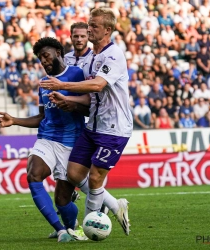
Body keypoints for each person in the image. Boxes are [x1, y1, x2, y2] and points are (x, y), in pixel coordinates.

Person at [41, 8, 131, 236]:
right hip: (93, 125)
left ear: (107, 30)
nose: (89, 29)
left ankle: (89, 227)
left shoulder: (114, 55)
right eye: (89, 24)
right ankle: (114, 205)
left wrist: (62, 86)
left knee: (95, 178)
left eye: (94, 26)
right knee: (73, 173)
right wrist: (66, 98)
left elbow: (97, 85)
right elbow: (90, 96)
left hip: (114, 128)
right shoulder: (91, 58)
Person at [0, 37, 89, 243]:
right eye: (40, 59)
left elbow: (90, 107)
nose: (44, 62)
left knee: (62, 200)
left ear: (58, 52)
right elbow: (41, 117)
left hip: (72, 143)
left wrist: (72, 105)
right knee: (33, 174)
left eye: (46, 56)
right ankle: (61, 230)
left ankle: (70, 226)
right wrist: (14, 121)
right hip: (47, 138)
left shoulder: (77, 74)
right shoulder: (43, 84)